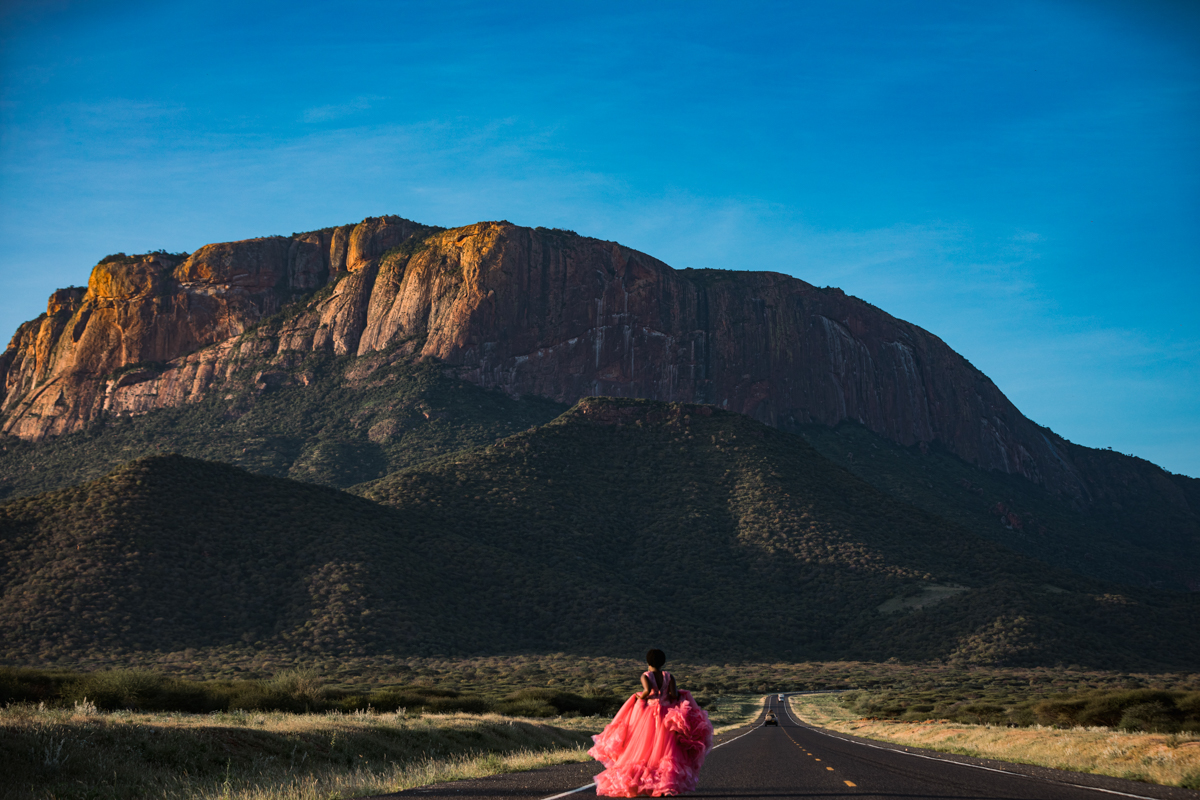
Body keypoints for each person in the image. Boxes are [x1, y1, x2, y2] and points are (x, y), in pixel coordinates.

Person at [588, 649, 714, 797]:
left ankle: (643, 783)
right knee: (665, 750)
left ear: (648, 663)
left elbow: (647, 690)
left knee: (643, 748)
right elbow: (674, 694)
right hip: (667, 715)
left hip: (649, 715)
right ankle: (663, 785)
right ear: (663, 662)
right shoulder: (669, 676)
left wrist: (639, 696)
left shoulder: (646, 675)